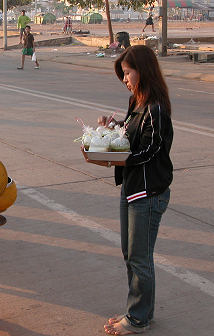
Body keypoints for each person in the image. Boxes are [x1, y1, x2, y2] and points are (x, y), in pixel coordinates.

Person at [84, 45, 173, 335]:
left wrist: (113, 156)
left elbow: (149, 150)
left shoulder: (156, 109)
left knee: (139, 257)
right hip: (133, 189)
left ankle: (138, 318)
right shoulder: (137, 102)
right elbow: (130, 135)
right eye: (123, 74)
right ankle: (139, 310)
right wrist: (112, 129)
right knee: (131, 254)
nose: (125, 79)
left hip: (148, 194)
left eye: (127, 73)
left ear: (142, 71)